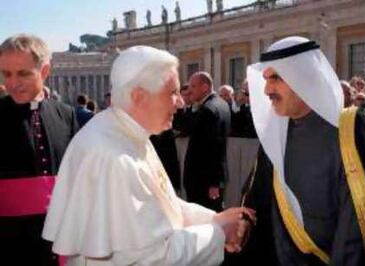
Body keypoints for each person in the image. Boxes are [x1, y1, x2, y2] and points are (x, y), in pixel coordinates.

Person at [42, 46, 254, 266]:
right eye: (172, 93)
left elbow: (166, 205)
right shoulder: (111, 156)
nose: (181, 102)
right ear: (139, 96)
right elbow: (151, 257)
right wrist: (219, 232)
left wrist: (215, 219)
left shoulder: (129, 133)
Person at [233, 36, 365, 265]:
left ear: (304, 78)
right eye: (265, 79)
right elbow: (256, 193)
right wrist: (246, 220)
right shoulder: (276, 133)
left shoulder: (351, 127)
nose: (267, 89)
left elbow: (359, 219)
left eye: (276, 78)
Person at [0, 34, 79, 266]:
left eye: (23, 73)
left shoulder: (66, 114)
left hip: (61, 237)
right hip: (9, 241)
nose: (12, 83)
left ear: (44, 71)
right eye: (6, 74)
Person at [184, 71, 231, 211]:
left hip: (203, 181)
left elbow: (214, 147)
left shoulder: (208, 110)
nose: (189, 91)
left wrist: (214, 183)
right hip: (211, 179)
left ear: (205, 87)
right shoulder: (222, 104)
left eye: (193, 86)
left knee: (204, 221)